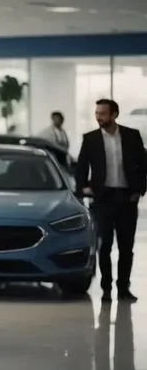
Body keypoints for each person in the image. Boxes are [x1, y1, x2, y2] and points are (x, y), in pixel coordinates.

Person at [76, 99, 147, 302]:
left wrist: (140, 190)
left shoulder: (132, 136)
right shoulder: (90, 139)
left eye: (103, 113)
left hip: (127, 198)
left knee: (126, 247)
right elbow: (81, 167)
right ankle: (106, 288)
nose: (99, 117)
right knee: (104, 245)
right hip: (103, 198)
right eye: (97, 113)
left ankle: (123, 288)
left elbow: (144, 165)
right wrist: (83, 188)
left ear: (114, 114)